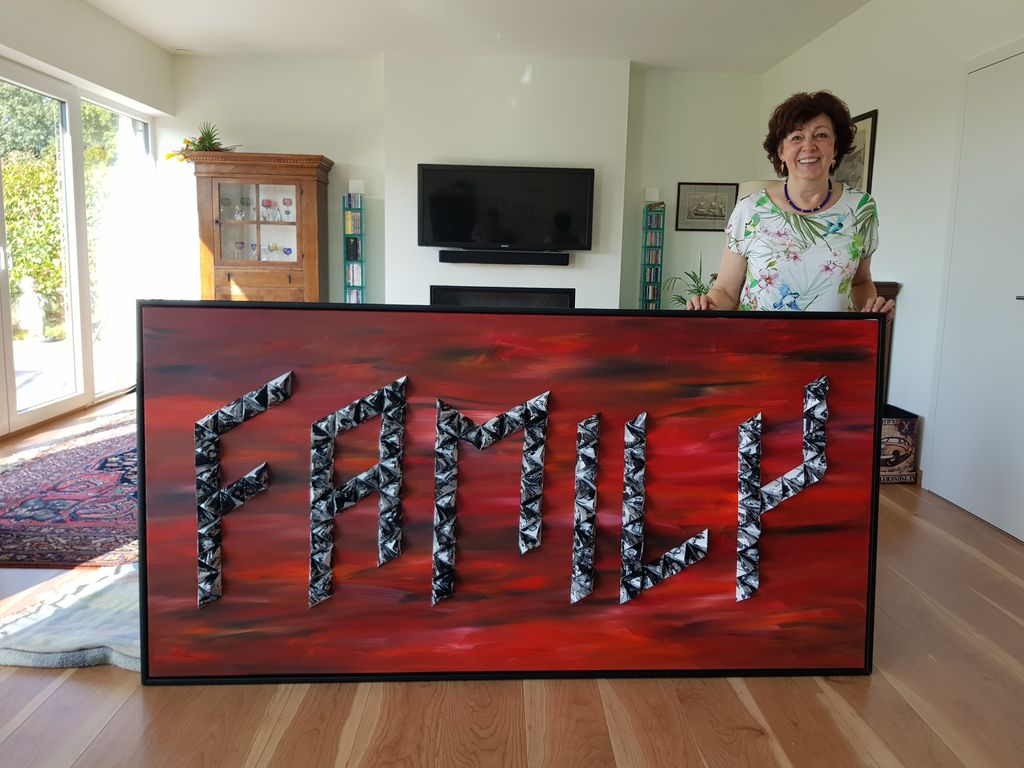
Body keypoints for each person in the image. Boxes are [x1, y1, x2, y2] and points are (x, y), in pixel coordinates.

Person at [686, 91, 894, 319]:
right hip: (758, 338)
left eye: (821, 135)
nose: (809, 146)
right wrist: (707, 306)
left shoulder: (861, 208)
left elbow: (861, 282)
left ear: (835, 148)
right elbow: (726, 290)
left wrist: (872, 311)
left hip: (834, 340)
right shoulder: (750, 209)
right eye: (796, 137)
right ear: (781, 151)